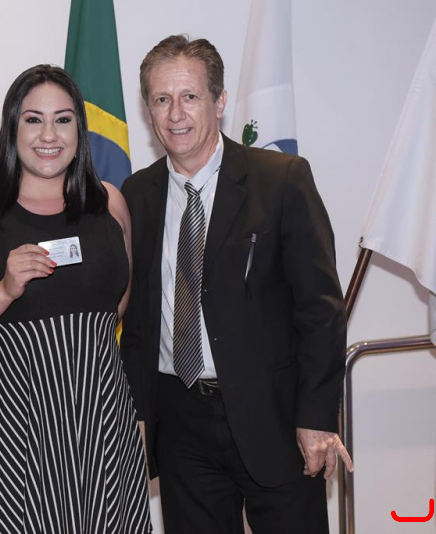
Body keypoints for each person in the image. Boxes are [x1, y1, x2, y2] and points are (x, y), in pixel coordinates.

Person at [120, 35, 353, 533]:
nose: (176, 114)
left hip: (274, 417)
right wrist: (137, 412)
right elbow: (137, 322)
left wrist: (317, 416)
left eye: (190, 96)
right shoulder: (137, 194)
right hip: (179, 423)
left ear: (219, 101)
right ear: (148, 109)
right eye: (161, 99)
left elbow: (321, 310)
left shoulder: (281, 180)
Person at [0, 65, 151, 533]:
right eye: (34, 119)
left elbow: (118, 306)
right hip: (10, 425)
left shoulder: (111, 202)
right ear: (13, 127)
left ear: (79, 129)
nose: (49, 134)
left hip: (101, 425)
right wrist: (3, 290)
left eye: (63, 119)